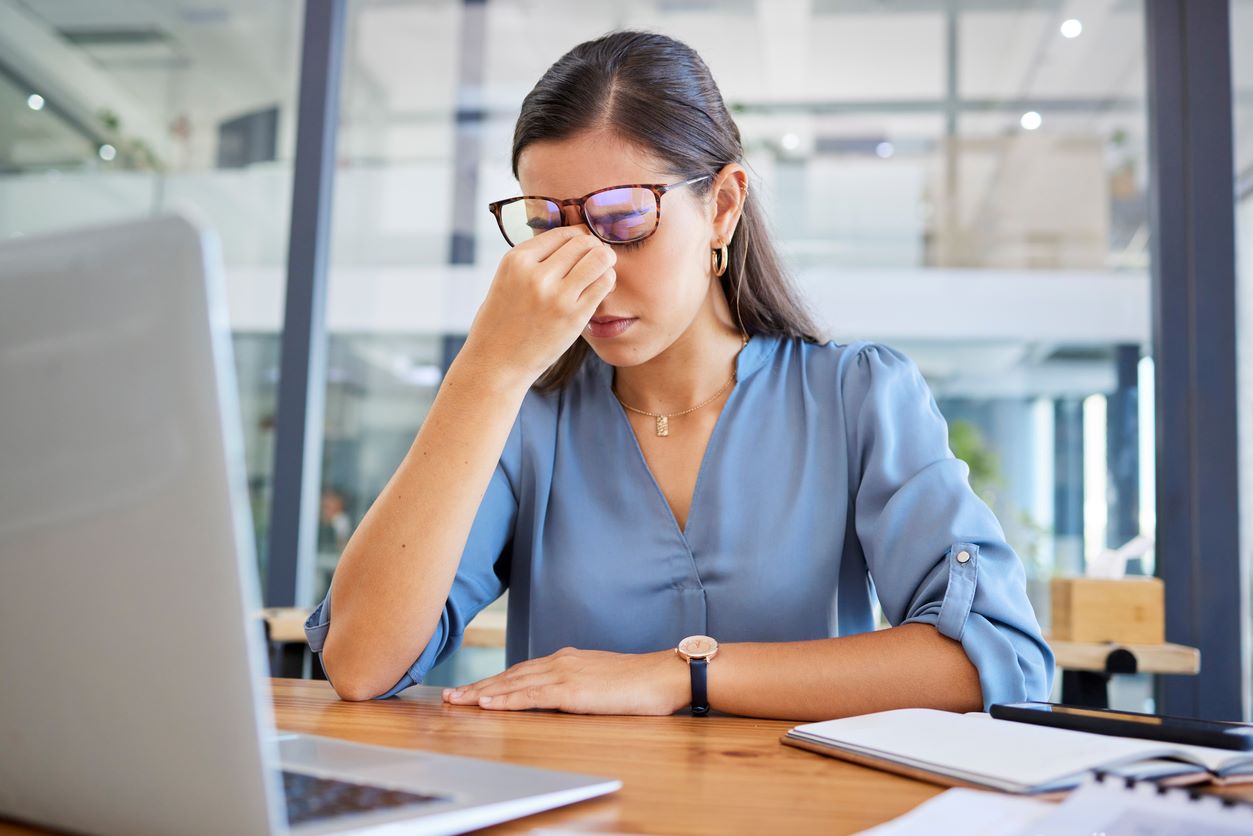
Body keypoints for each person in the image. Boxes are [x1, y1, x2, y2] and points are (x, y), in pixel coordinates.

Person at [305, 30, 1053, 720]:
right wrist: (487, 369)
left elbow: (996, 663)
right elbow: (362, 664)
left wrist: (680, 674)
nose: (586, 271)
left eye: (623, 222)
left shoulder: (856, 397)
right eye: (545, 228)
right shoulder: (524, 419)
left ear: (722, 207)